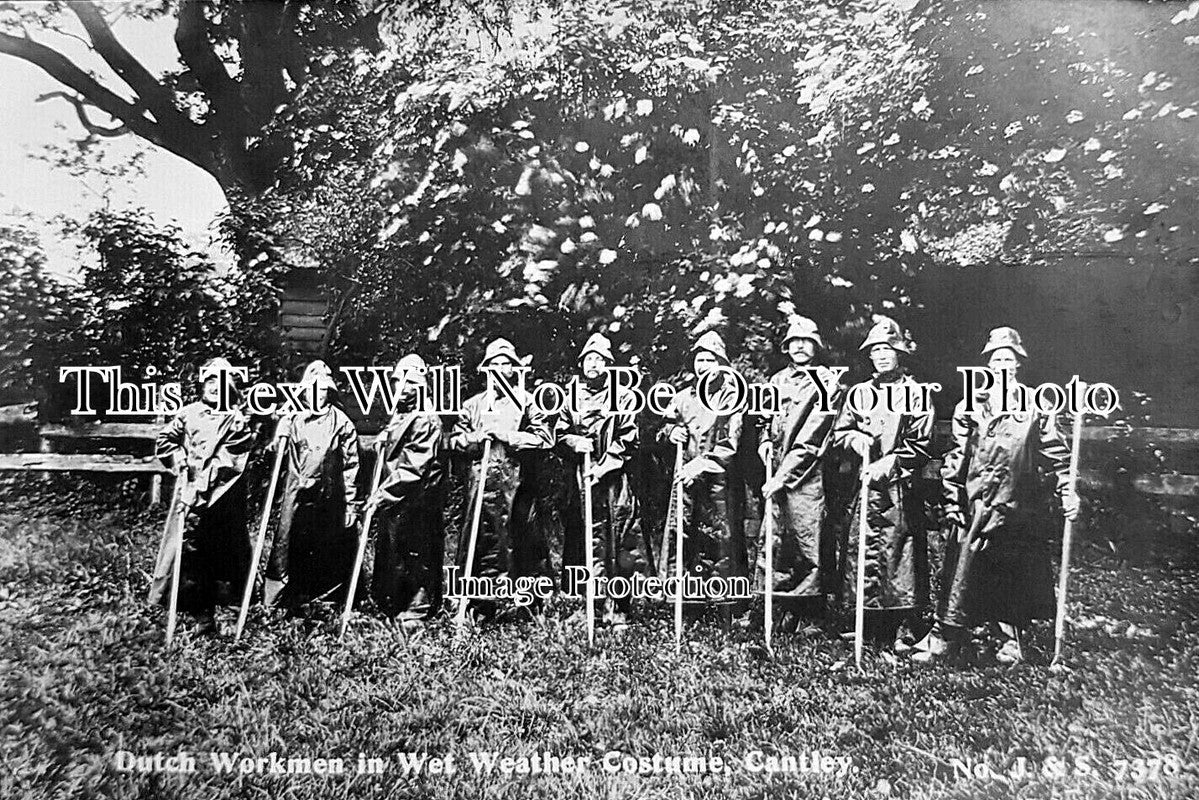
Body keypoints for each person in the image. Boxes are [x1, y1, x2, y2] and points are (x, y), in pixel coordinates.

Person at [913, 326, 1080, 665]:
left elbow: (1058, 455)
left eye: (1009, 358)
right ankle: (947, 635)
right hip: (974, 500)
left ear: (1019, 363)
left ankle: (1010, 638)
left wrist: (1069, 492)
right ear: (988, 364)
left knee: (1012, 570)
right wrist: (951, 497)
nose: (1003, 364)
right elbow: (956, 456)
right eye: (996, 358)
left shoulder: (1037, 406)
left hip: (1016, 503)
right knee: (961, 568)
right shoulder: (970, 406)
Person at [833, 317, 934, 652]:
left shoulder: (916, 392)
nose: (881, 356)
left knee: (900, 553)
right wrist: (855, 439)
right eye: (875, 350)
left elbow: (920, 444)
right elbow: (841, 431)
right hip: (865, 490)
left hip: (899, 489)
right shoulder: (860, 393)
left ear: (899, 353)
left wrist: (889, 462)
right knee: (864, 550)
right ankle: (870, 623)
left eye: (887, 349)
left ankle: (905, 626)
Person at [448, 338, 554, 619]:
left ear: (514, 368)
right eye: (494, 364)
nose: (499, 369)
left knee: (523, 541)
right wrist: (474, 438)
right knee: (482, 542)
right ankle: (480, 606)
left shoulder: (528, 401)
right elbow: (454, 441)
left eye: (505, 363)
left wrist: (510, 437)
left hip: (517, 485)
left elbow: (545, 438)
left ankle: (529, 607)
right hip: (481, 486)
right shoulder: (472, 406)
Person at [151, 357, 254, 635]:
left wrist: (195, 490)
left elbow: (227, 462)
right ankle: (202, 615)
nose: (213, 387)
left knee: (230, 555)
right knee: (194, 556)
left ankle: (234, 614)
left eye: (220, 383)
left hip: (224, 498)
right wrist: (179, 456)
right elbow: (165, 440)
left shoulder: (237, 419)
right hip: (193, 497)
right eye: (209, 381)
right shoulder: (188, 413)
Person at [557, 333, 648, 630]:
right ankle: (591, 608)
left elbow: (628, 439)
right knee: (586, 540)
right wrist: (574, 442)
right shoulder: (569, 396)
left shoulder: (622, 396)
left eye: (599, 360)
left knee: (619, 541)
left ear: (608, 364)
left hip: (615, 481)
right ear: (582, 364)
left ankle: (619, 609)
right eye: (589, 360)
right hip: (582, 480)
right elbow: (558, 433)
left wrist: (604, 465)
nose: (593, 365)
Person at [757, 317, 843, 634]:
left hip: (809, 475)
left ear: (816, 346)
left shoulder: (827, 383)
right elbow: (766, 418)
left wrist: (783, 475)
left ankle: (811, 613)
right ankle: (779, 607)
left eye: (806, 341)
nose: (799, 346)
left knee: (810, 539)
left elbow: (813, 437)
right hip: (777, 470)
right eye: (794, 341)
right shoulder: (777, 380)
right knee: (779, 541)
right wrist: (766, 441)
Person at [657, 330, 746, 626]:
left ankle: (724, 608)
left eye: (710, 359)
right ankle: (688, 604)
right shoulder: (682, 397)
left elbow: (731, 442)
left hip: (719, 481)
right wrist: (671, 433)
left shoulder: (733, 395)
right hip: (687, 482)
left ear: (721, 363)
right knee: (687, 536)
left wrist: (702, 463)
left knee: (720, 539)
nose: (703, 365)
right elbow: (661, 430)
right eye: (699, 359)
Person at [263, 360, 360, 612]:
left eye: (323, 389)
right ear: (304, 391)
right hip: (296, 492)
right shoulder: (292, 419)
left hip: (328, 496)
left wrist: (351, 505)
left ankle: (325, 598)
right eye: (312, 389)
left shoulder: (342, 423)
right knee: (287, 541)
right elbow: (274, 454)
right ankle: (278, 598)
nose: (317, 394)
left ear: (330, 391)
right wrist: (279, 434)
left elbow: (351, 469)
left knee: (327, 545)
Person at [367, 354, 446, 624]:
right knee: (395, 549)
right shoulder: (402, 413)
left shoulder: (426, 418)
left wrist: (382, 494)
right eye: (397, 380)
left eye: (408, 381)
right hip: (398, 494)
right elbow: (396, 441)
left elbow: (414, 467)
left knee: (417, 552)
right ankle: (392, 602)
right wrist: (383, 438)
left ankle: (418, 608)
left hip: (418, 497)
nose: (400, 386)